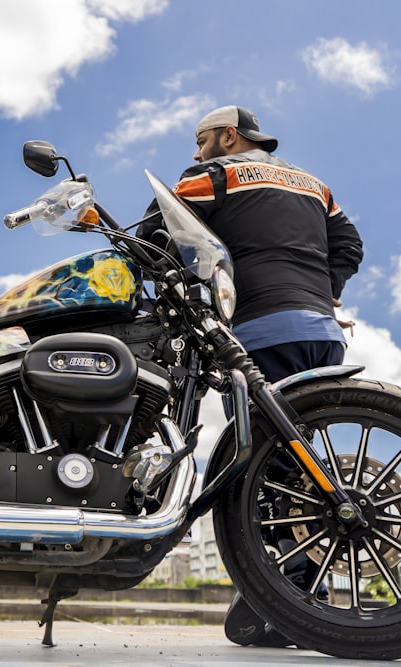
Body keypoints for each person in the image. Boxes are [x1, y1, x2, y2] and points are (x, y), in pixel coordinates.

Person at [140, 105, 363, 647]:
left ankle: (289, 598)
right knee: (301, 459)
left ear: (228, 136)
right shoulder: (315, 185)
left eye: (201, 139)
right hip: (320, 330)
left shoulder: (214, 176)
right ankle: (297, 595)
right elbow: (350, 247)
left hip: (259, 329)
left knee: (263, 461)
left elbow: (152, 234)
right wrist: (319, 291)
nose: (194, 152)